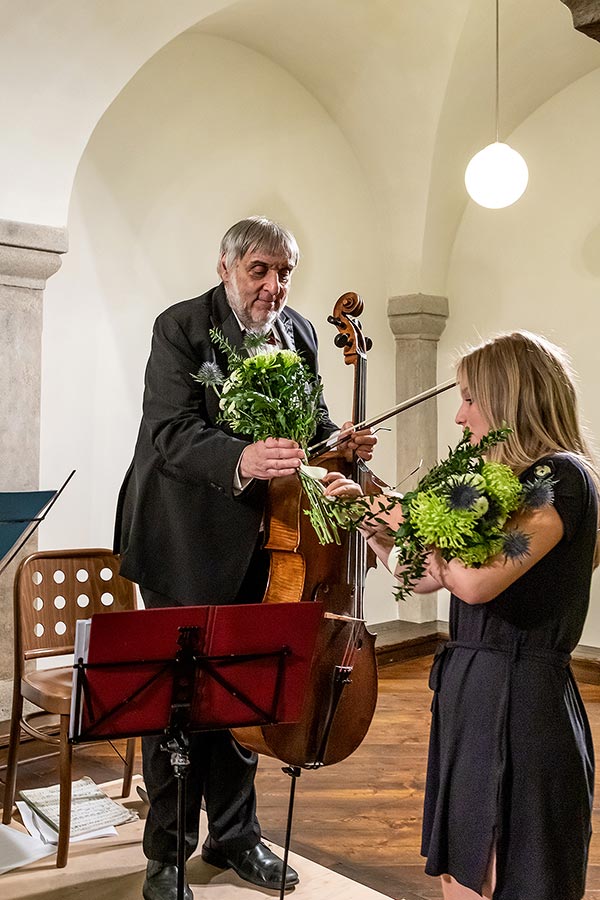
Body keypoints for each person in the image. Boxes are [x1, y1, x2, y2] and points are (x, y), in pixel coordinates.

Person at [113, 216, 376, 900]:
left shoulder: (302, 333)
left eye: (284, 272)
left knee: (244, 693)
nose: (274, 285)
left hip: (269, 544)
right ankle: (164, 856)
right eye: (260, 270)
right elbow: (169, 433)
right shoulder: (181, 328)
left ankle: (233, 836)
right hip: (181, 536)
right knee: (177, 703)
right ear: (227, 267)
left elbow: (309, 424)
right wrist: (241, 458)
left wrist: (337, 441)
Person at [325, 331, 599, 900]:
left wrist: (388, 508)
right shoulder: (499, 485)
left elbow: (475, 582)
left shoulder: (561, 480)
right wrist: (370, 523)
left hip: (522, 698)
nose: (458, 415)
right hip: (471, 690)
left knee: (516, 874)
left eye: (470, 397)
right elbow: (427, 576)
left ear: (508, 398)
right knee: (464, 868)